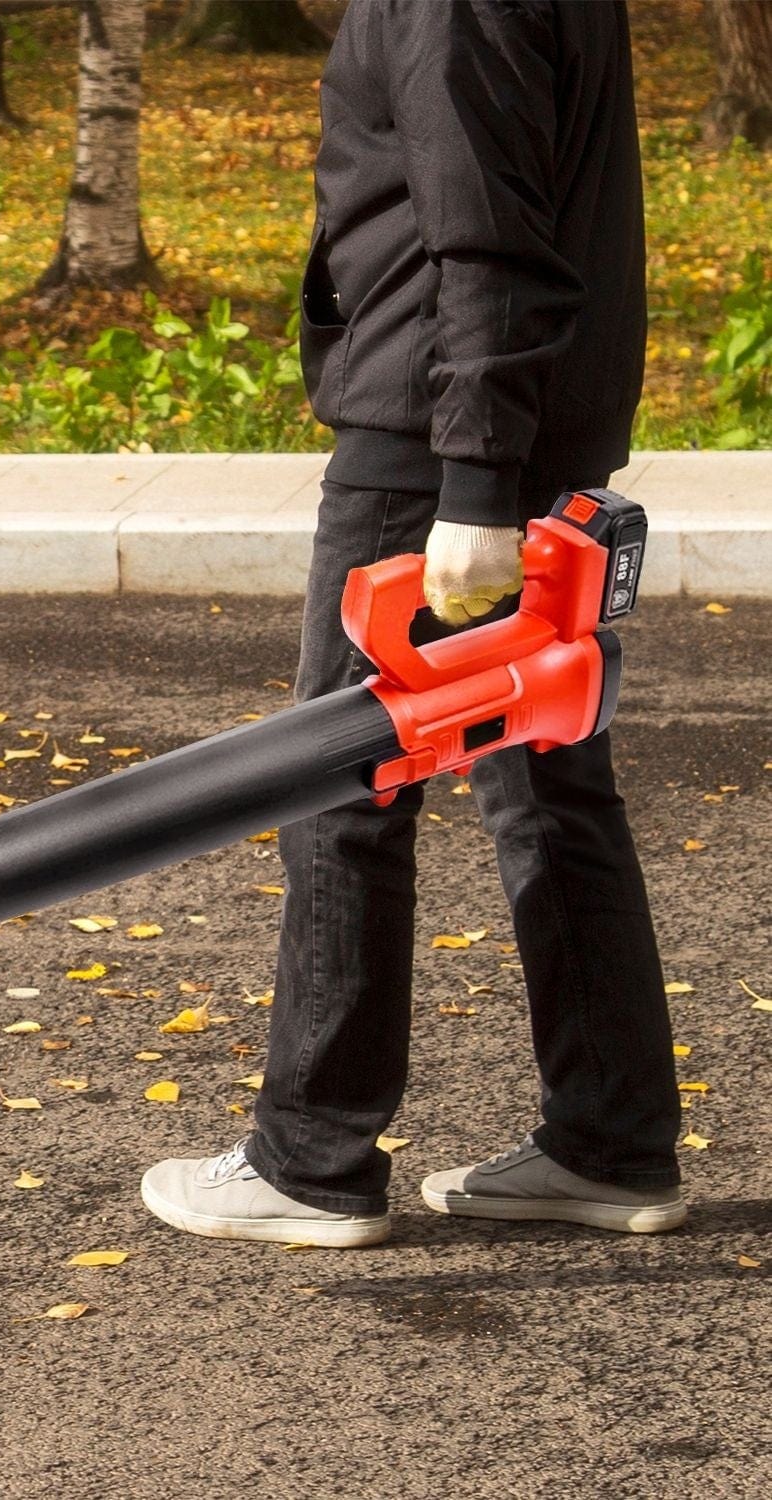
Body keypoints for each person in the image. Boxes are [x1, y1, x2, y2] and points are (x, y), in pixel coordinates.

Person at [140, 0, 685, 1247]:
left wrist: (475, 489)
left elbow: (486, 236)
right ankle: (611, 1145)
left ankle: (310, 1160)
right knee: (549, 782)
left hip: (438, 449)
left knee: (346, 780)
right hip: (529, 427)